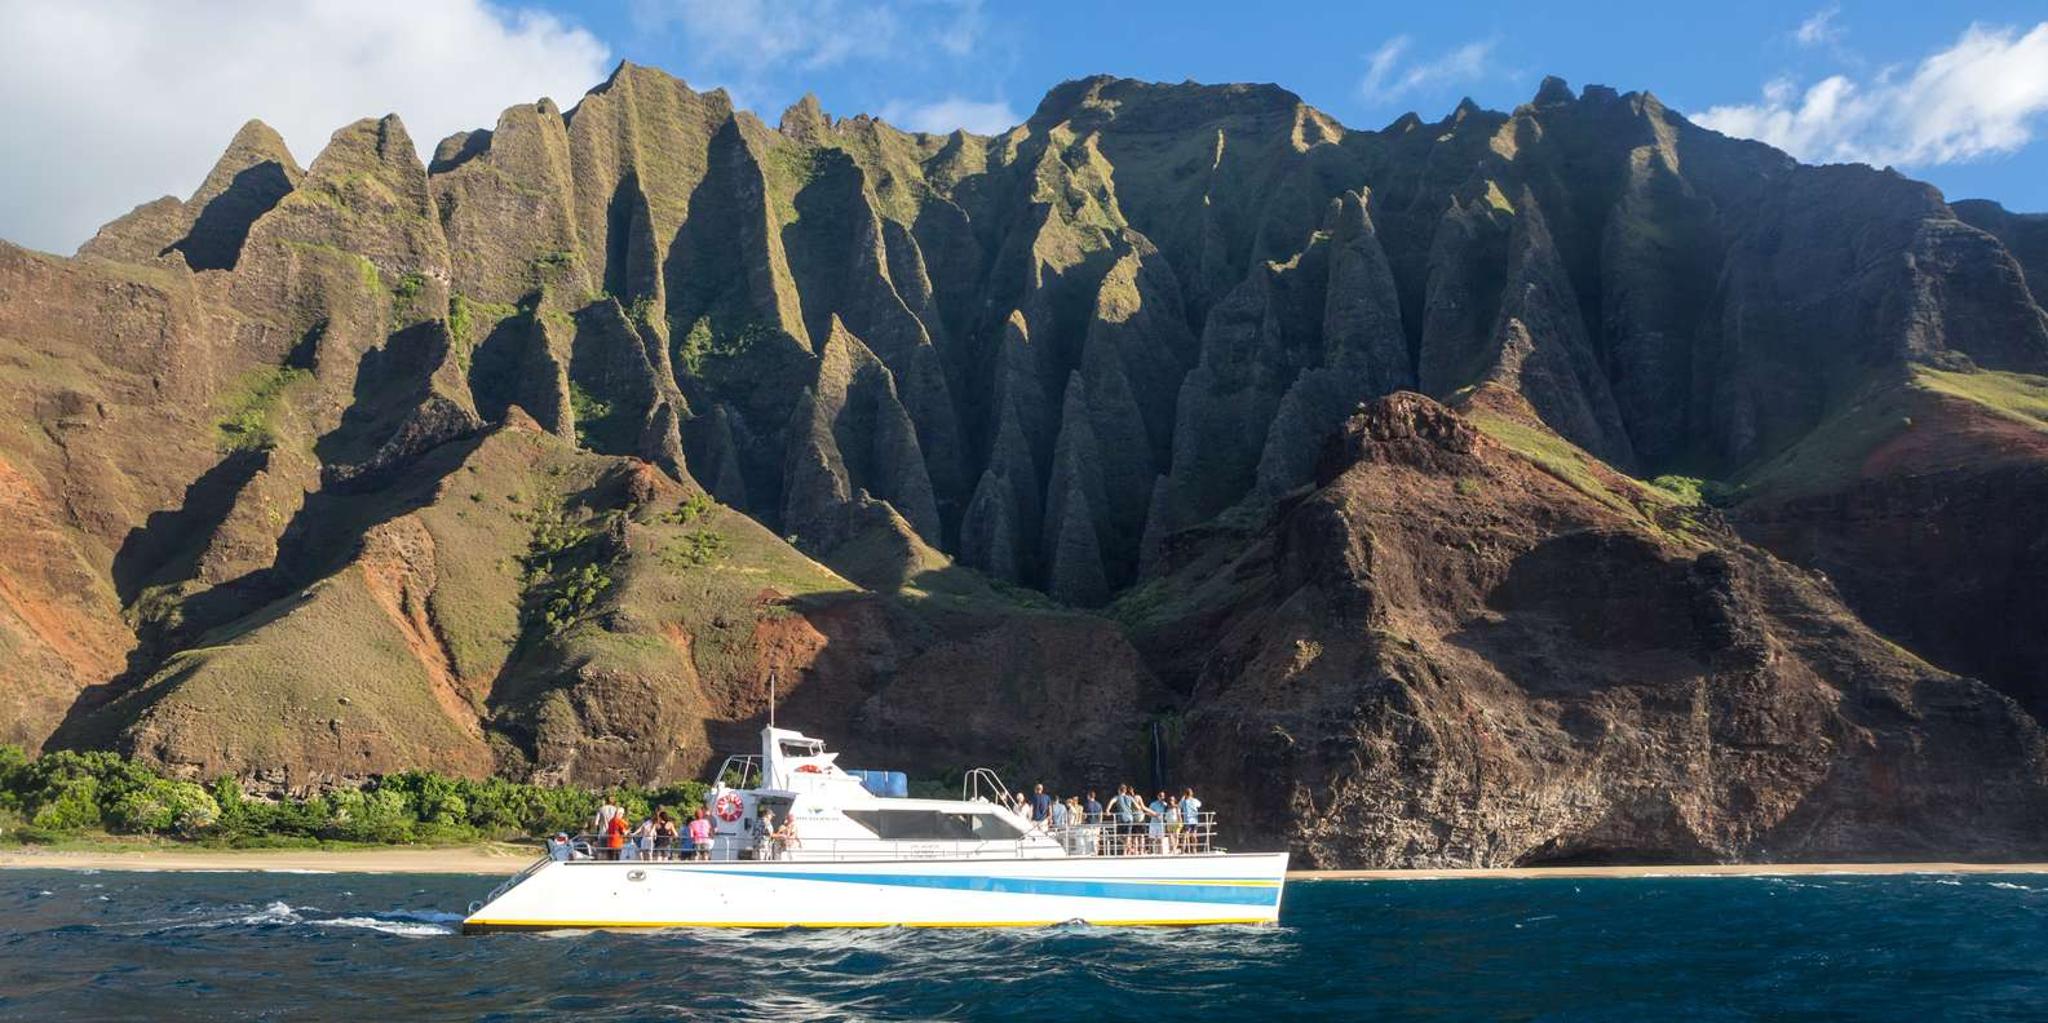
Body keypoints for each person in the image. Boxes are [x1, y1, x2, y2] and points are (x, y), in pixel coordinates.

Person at [1110, 785, 1141, 855]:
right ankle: (1127, 851)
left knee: (1119, 836)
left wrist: (1107, 810)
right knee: (1128, 835)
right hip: (1130, 818)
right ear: (1125, 791)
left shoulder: (1117, 797)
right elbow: (1138, 807)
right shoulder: (1130, 797)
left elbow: (1111, 802)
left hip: (1122, 818)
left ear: (1119, 790)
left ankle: (1129, 849)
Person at [1179, 787, 1204, 852]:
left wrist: (1183, 797)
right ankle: (1191, 849)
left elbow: (1179, 806)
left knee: (1188, 835)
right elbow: (1199, 805)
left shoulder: (1186, 801)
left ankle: (1186, 850)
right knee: (1190, 835)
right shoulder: (1192, 800)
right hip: (1191, 821)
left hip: (1190, 821)